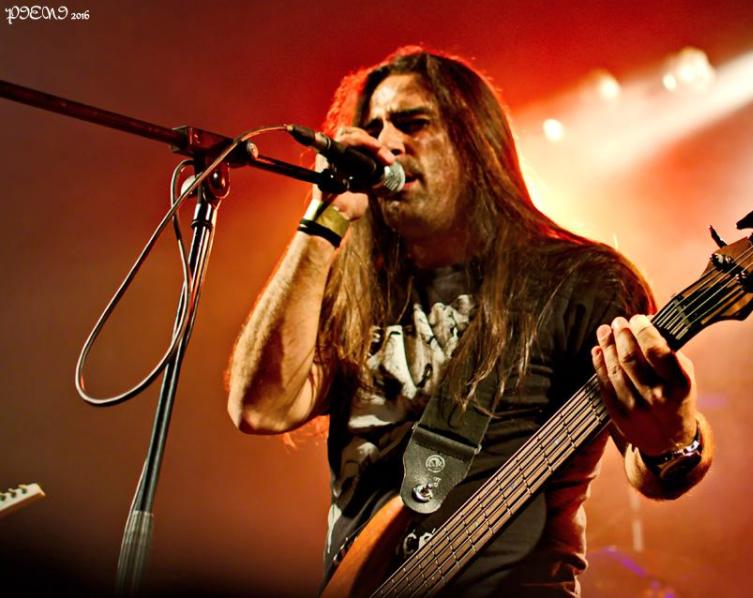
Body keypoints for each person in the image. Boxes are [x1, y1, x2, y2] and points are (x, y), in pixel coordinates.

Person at [226, 47, 713, 596]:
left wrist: (676, 437)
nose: (386, 142)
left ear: (473, 141)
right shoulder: (352, 288)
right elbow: (260, 407)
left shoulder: (578, 282)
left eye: (412, 123)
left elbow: (655, 472)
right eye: (374, 127)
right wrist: (324, 217)